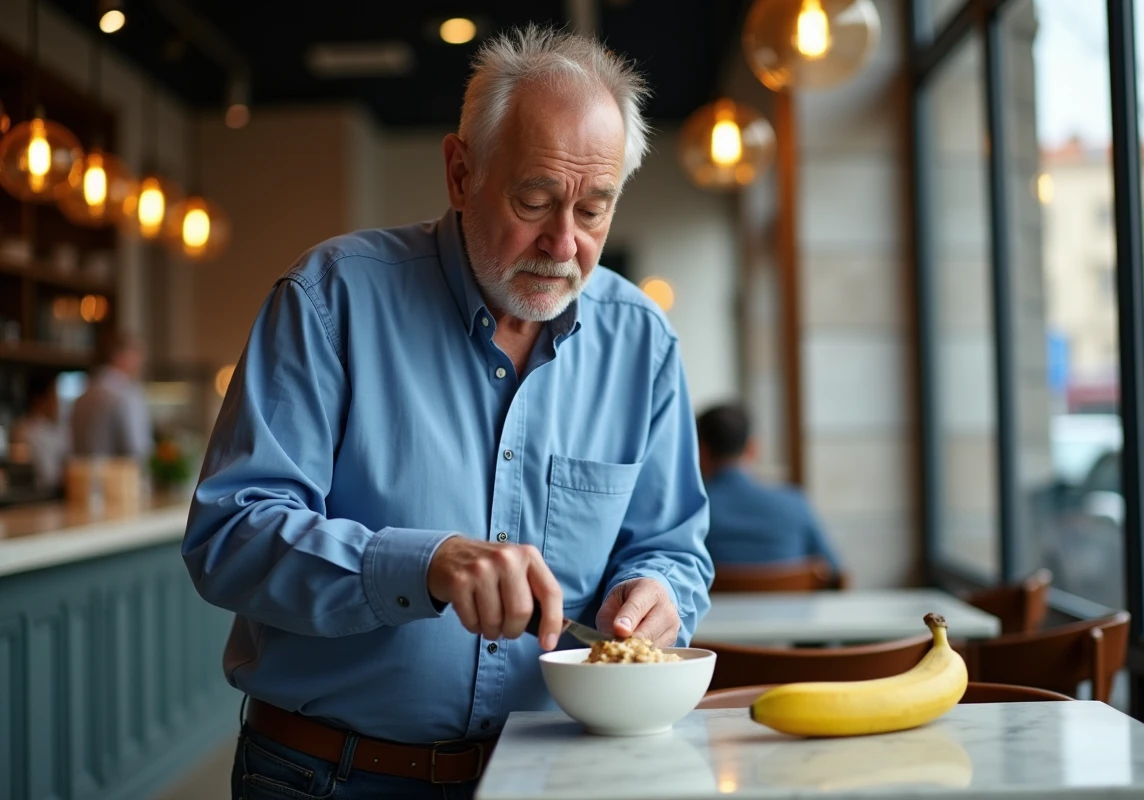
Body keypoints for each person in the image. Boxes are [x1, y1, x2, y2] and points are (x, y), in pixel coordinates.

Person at [182, 25, 712, 800]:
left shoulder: (643, 342)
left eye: (594, 211)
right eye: (534, 199)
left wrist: (660, 594)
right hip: (326, 775)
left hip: (556, 774)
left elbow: (674, 548)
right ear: (460, 173)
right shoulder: (330, 299)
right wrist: (423, 564)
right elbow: (231, 534)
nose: (564, 244)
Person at [697, 403, 840, 572]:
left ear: (701, 450)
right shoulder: (795, 504)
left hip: (717, 599)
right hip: (790, 598)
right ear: (752, 448)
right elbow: (835, 572)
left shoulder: (694, 509)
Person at [69, 331, 152, 461]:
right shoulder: (126, 394)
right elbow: (136, 450)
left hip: (82, 477)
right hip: (119, 478)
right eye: (137, 355)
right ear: (119, 356)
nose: (141, 363)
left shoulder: (83, 395)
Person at [10, 373, 69, 491]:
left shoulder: (56, 428)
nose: (58, 402)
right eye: (54, 396)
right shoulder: (28, 430)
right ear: (39, 400)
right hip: (40, 497)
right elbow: (49, 477)